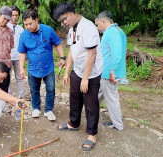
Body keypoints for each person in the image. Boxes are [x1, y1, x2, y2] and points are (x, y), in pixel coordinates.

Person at [53, 2, 103, 151]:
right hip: (78, 69)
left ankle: (92, 134)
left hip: (91, 73)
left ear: (73, 13)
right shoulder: (71, 29)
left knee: (90, 103)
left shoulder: (88, 27)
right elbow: (71, 52)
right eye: (61, 21)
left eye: (65, 19)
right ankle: (73, 124)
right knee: (74, 98)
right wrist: (67, 72)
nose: (64, 23)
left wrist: (86, 78)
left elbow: (92, 55)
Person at [18, 9, 66, 121]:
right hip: (33, 69)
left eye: (30, 23)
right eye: (25, 24)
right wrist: (21, 68)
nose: (28, 27)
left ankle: (49, 110)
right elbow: (22, 52)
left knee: (51, 89)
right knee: (34, 89)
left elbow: (58, 44)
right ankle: (36, 108)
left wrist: (62, 58)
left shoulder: (48, 30)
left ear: (36, 20)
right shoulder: (24, 35)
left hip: (48, 67)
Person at [95, 11, 126, 131]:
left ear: (104, 21)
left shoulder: (112, 33)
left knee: (112, 100)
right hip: (106, 73)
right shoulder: (117, 31)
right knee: (96, 95)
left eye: (97, 25)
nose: (97, 28)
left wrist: (112, 72)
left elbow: (117, 55)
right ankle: (92, 114)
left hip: (109, 73)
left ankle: (118, 125)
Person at [7, 6, 25, 99]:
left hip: (18, 57)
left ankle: (20, 96)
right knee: (7, 77)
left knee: (20, 77)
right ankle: (9, 96)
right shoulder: (5, 27)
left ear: (18, 16)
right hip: (7, 57)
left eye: (16, 15)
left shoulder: (21, 29)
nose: (14, 17)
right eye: (12, 15)